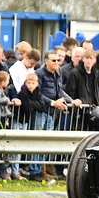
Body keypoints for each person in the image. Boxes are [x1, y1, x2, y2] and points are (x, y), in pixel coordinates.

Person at [32, 50, 68, 181]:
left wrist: (64, 101)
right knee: (37, 141)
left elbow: (60, 92)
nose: (57, 63)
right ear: (46, 62)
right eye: (54, 60)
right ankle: (34, 170)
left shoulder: (57, 74)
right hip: (41, 111)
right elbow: (37, 94)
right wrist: (53, 103)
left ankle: (41, 170)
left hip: (52, 113)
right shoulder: (39, 74)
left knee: (46, 142)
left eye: (58, 60)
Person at [11, 73, 45, 180]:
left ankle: (16, 170)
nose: (30, 85)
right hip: (18, 120)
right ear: (25, 83)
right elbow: (28, 108)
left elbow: (42, 106)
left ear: (37, 84)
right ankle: (13, 170)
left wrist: (31, 103)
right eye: (29, 83)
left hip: (25, 122)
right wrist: (33, 104)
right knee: (15, 146)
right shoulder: (23, 93)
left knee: (20, 146)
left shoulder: (37, 92)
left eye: (33, 83)